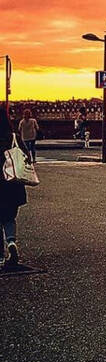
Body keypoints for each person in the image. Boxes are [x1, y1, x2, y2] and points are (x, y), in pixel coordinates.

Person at [0, 108, 27, 268]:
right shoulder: (14, 138)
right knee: (9, 218)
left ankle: (1, 258)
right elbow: (26, 157)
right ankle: (11, 242)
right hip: (12, 184)